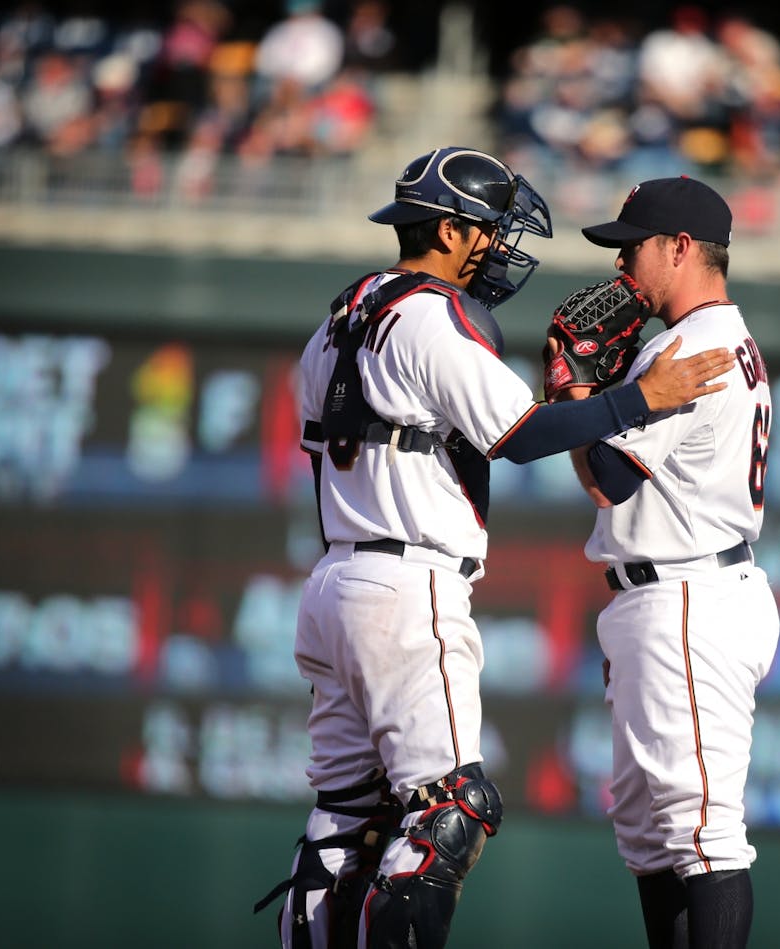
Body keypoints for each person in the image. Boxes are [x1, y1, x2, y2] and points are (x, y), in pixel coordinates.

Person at [257, 147, 736, 949]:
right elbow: (521, 433)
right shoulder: (428, 313)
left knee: (344, 822)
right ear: (445, 229)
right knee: (451, 810)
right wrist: (636, 397)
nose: (498, 248)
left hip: (334, 579)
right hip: (407, 587)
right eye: (485, 229)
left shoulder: (343, 313)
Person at [559, 176, 780, 948]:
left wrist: (578, 388)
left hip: (687, 595)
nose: (623, 268)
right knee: (653, 837)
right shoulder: (715, 336)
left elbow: (607, 481)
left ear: (681, 248)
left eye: (633, 248)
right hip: (676, 591)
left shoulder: (689, 347)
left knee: (704, 835)